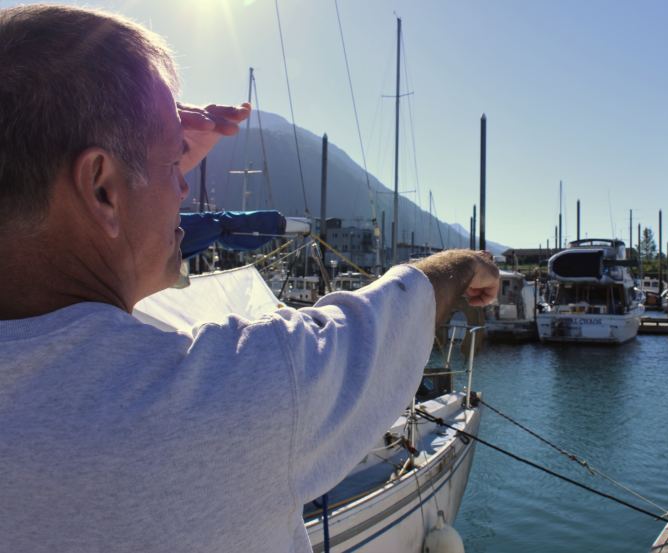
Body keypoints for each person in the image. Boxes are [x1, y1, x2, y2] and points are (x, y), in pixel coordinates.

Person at [0, 5, 499, 552]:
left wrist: (151, 152)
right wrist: (464, 265)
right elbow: (380, 328)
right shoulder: (225, 398)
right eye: (174, 166)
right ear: (101, 189)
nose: (185, 191)